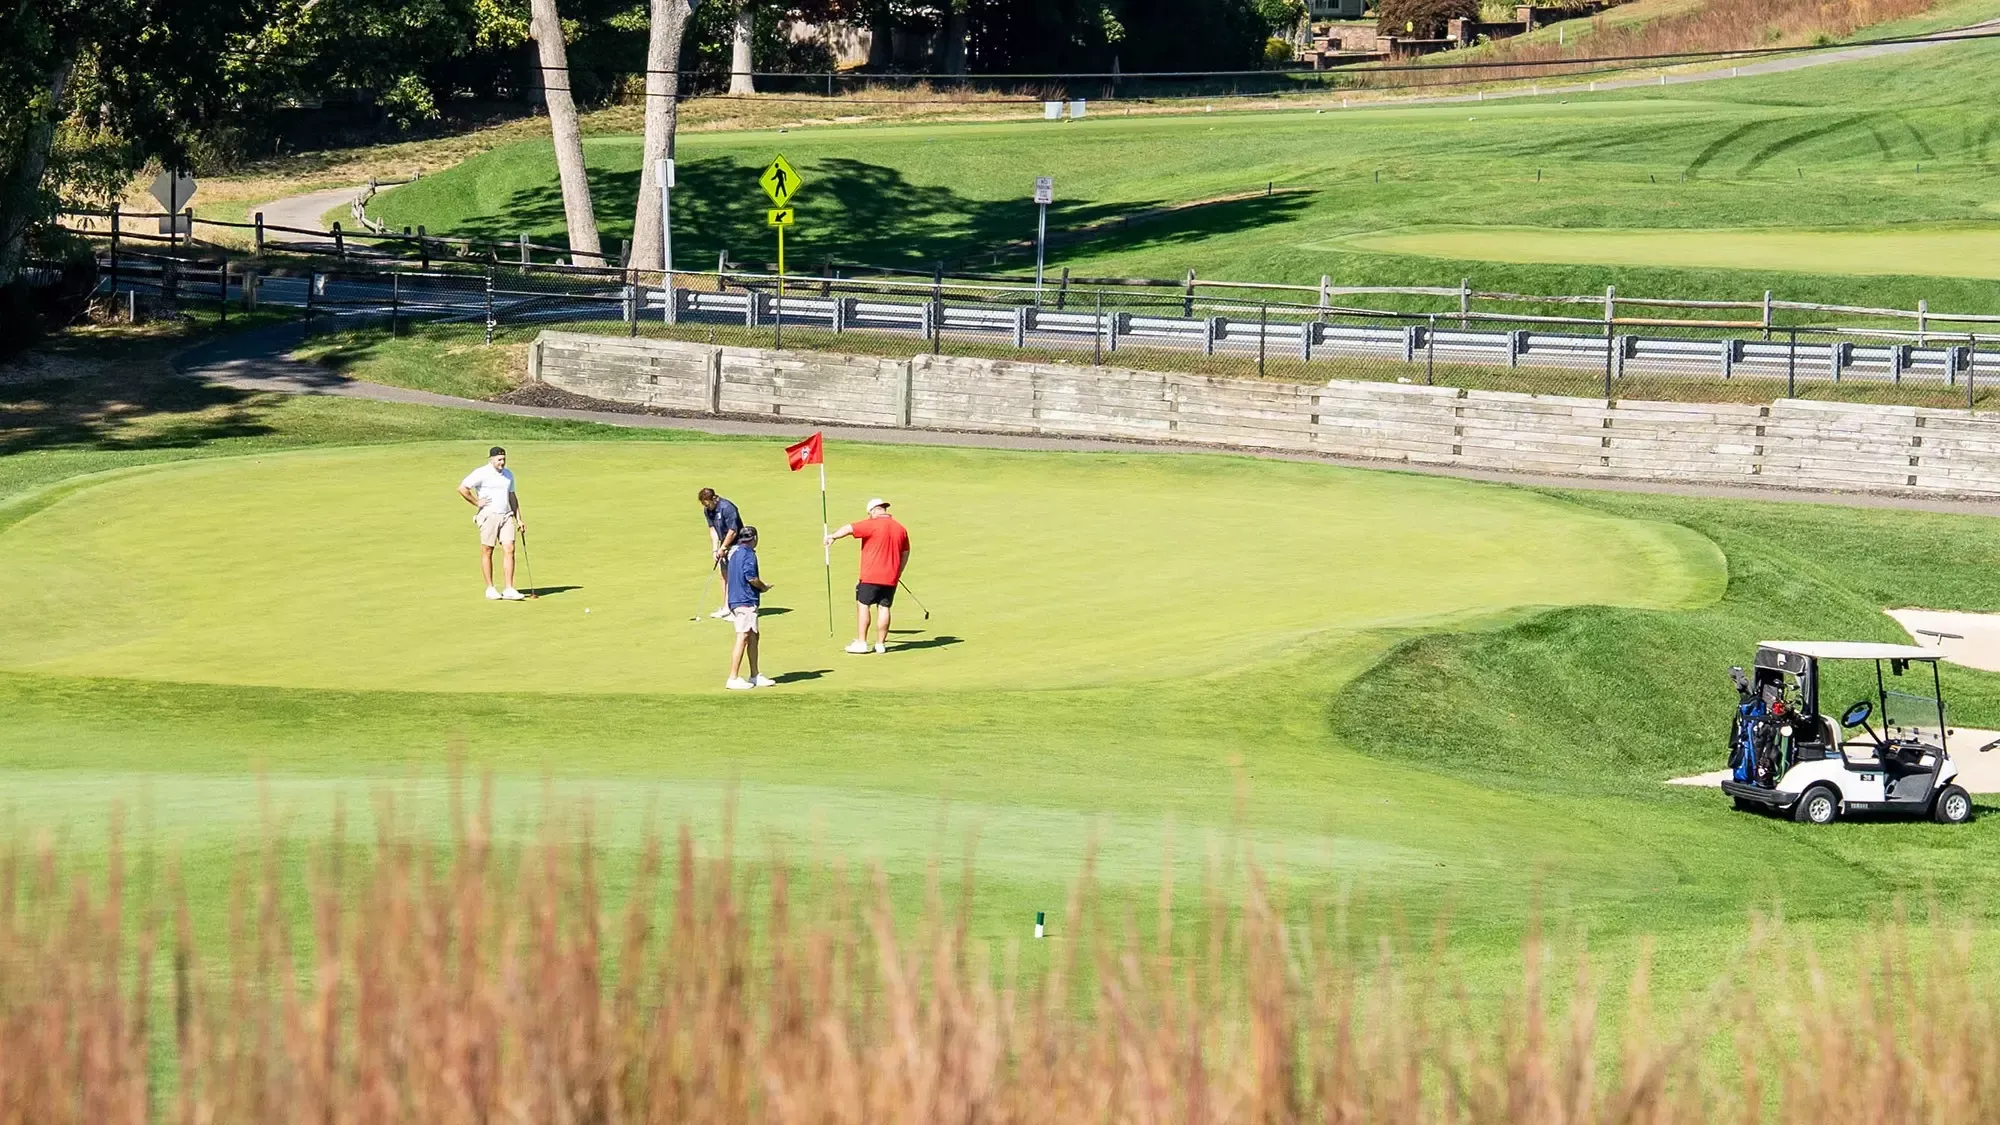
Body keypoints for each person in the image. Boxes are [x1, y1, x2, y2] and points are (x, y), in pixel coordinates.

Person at [826, 497, 911, 655]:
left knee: (863, 605)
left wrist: (833, 536)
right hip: (890, 577)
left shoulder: (872, 523)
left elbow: (849, 528)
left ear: (873, 511)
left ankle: (862, 642)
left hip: (871, 575)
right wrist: (898, 572)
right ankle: (880, 644)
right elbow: (905, 553)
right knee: (884, 607)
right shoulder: (901, 528)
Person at [457, 446, 525, 601]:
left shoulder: (508, 474)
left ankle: (509, 588)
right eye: (499, 460)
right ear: (491, 459)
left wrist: (519, 518)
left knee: (510, 548)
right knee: (488, 550)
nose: (502, 462)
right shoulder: (482, 473)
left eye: (504, 459)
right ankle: (490, 588)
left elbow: (512, 496)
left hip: (506, 515)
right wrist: (476, 502)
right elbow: (462, 488)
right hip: (488, 515)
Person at [723, 525, 776, 690]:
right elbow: (751, 577)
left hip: (738, 599)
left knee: (753, 636)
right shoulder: (748, 554)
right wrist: (763, 587)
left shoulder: (735, 553)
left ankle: (754, 675)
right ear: (754, 539)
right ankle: (733, 677)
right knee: (743, 636)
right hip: (744, 600)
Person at [699, 488, 745, 619]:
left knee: (735, 576)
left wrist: (723, 547)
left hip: (738, 544)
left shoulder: (727, 508)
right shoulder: (708, 510)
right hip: (723, 544)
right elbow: (712, 529)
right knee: (723, 575)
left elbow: (733, 531)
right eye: (704, 504)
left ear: (714, 498)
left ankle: (735, 609)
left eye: (707, 503)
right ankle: (726, 607)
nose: (706, 507)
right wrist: (715, 549)